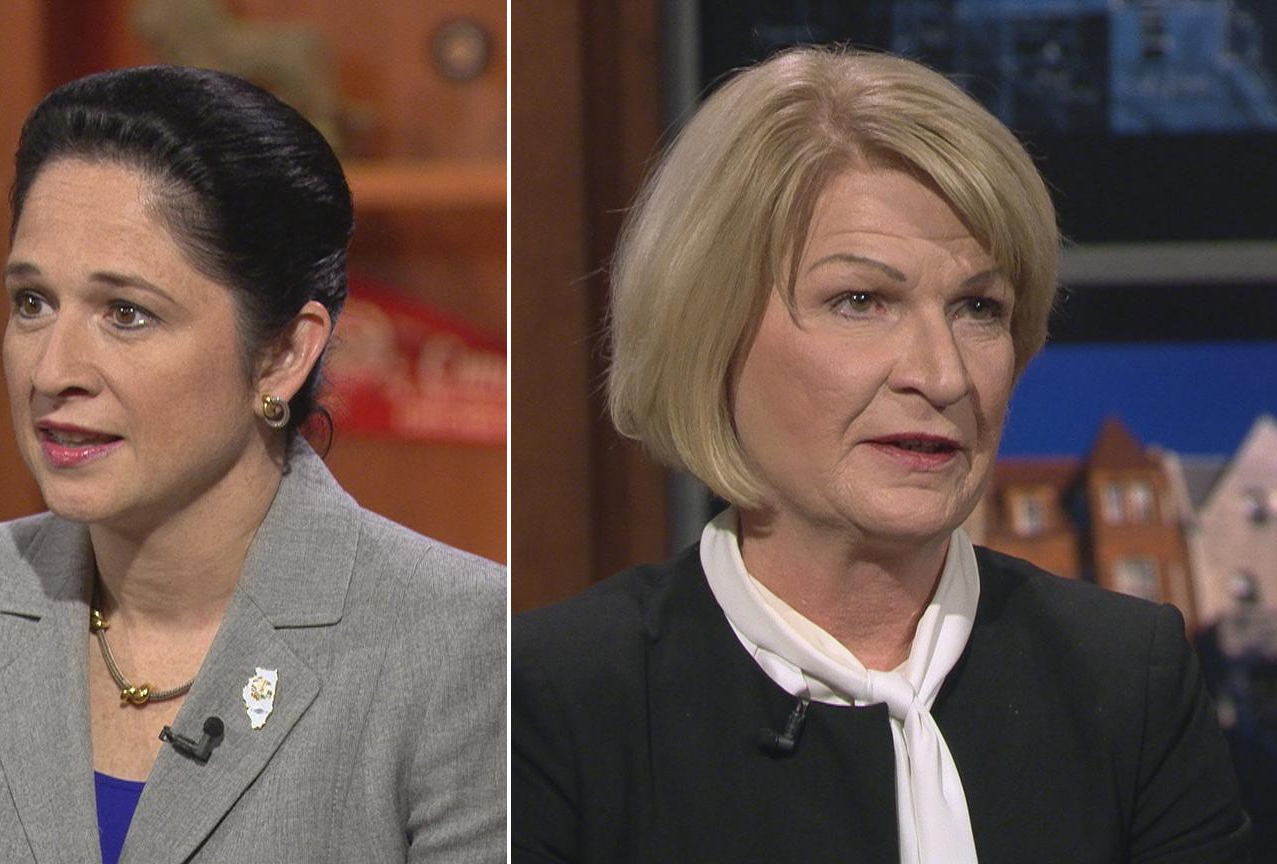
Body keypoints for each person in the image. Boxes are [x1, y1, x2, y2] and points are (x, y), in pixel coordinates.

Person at [512, 46, 1249, 863]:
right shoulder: (555, 700)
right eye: (860, 301)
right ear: (708, 331)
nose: (940, 374)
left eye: (979, 307)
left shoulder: (1125, 680)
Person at [0, 66, 505, 863]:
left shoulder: (458, 643)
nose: (52, 371)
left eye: (126, 313)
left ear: (282, 354)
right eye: (32, 303)